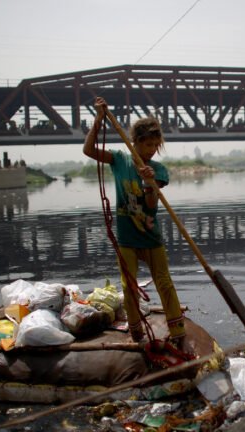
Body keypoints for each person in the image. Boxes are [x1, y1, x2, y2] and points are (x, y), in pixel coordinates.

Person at [83, 96, 188, 348]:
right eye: (148, 144)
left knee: (164, 282)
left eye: (155, 145)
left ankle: (178, 332)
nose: (152, 149)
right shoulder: (120, 159)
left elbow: (151, 206)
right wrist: (99, 119)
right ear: (136, 142)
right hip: (127, 238)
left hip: (151, 238)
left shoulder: (159, 170)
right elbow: (88, 151)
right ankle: (136, 331)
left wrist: (150, 183)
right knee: (128, 287)